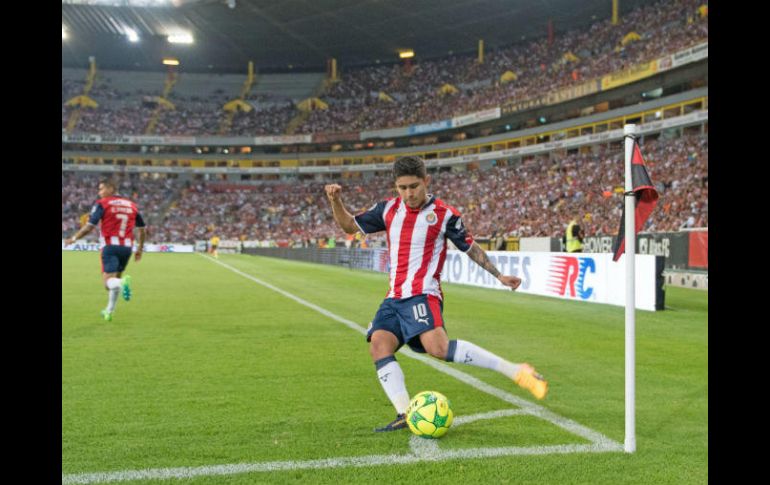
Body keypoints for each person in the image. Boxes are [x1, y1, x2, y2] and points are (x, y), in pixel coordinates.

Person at [324, 156, 548, 433]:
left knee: (438, 349)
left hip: (422, 295)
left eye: (414, 186)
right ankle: (405, 413)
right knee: (378, 345)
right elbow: (348, 226)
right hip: (393, 298)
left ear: (426, 182)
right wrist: (335, 201)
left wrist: (499, 275)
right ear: (395, 186)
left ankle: (515, 370)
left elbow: (469, 247)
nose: (409, 193)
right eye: (402, 187)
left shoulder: (444, 214)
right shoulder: (387, 210)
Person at [65, 180, 146, 321]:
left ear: (111, 188)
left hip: (110, 247)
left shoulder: (102, 203)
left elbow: (90, 226)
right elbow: (142, 229)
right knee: (114, 281)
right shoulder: (132, 205)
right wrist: (140, 248)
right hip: (127, 248)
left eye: (101, 189)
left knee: (108, 283)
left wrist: (74, 238)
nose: (99, 192)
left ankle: (122, 284)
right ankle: (109, 311)